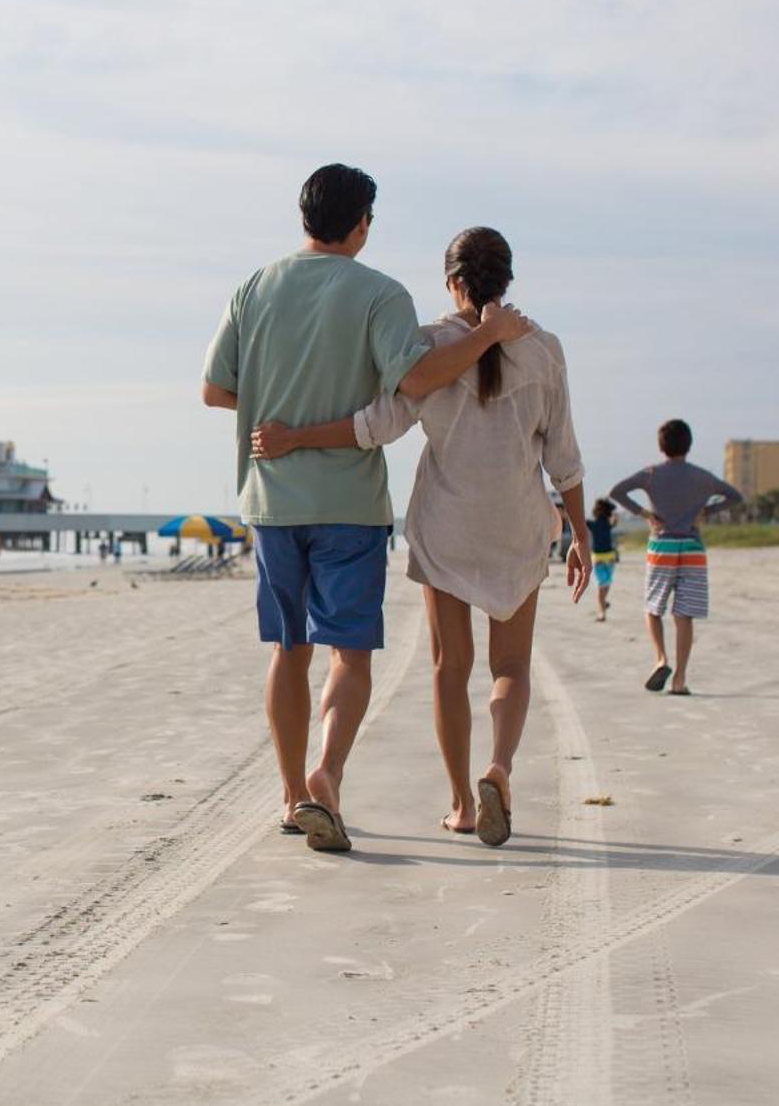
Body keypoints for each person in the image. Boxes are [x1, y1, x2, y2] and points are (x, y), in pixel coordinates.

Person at [202, 165, 534, 854]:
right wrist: (484, 337)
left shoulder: (254, 289)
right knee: (348, 657)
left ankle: (294, 797)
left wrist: (276, 412)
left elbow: (215, 389)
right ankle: (328, 771)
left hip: (270, 498)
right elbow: (415, 379)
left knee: (287, 650)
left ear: (304, 217)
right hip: (349, 502)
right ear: (362, 224)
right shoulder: (379, 293)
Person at [252, 226, 586, 847]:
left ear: (451, 282)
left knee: (448, 668)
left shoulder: (430, 348)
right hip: (518, 521)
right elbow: (562, 453)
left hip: (446, 523)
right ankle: (499, 769)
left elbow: (375, 426)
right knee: (510, 665)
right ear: (506, 280)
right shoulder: (544, 350)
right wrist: (581, 535)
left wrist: (296, 438)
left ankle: (461, 802)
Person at [609, 420, 744, 694]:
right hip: (692, 548)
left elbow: (617, 492)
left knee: (653, 607)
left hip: (662, 546)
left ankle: (661, 659)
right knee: (684, 614)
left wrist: (644, 514)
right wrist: (706, 512)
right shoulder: (703, 477)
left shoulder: (651, 474)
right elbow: (735, 496)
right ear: (689, 445)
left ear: (661, 446)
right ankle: (680, 679)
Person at [586, 499, 619, 622]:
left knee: (601, 586)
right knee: (606, 583)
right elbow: (615, 518)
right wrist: (614, 515)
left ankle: (602, 613)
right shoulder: (608, 524)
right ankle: (603, 603)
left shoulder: (593, 524)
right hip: (610, 557)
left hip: (598, 558)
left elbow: (580, 523)